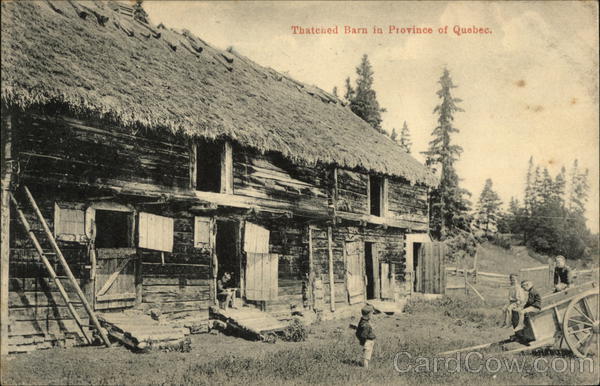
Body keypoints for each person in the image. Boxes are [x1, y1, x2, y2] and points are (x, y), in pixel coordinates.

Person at [355, 304, 376, 369]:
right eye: (372, 314)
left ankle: (364, 365)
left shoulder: (363, 321)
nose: (372, 315)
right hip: (368, 341)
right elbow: (364, 334)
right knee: (367, 354)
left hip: (368, 340)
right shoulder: (366, 325)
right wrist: (363, 341)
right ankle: (365, 367)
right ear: (369, 314)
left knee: (367, 353)